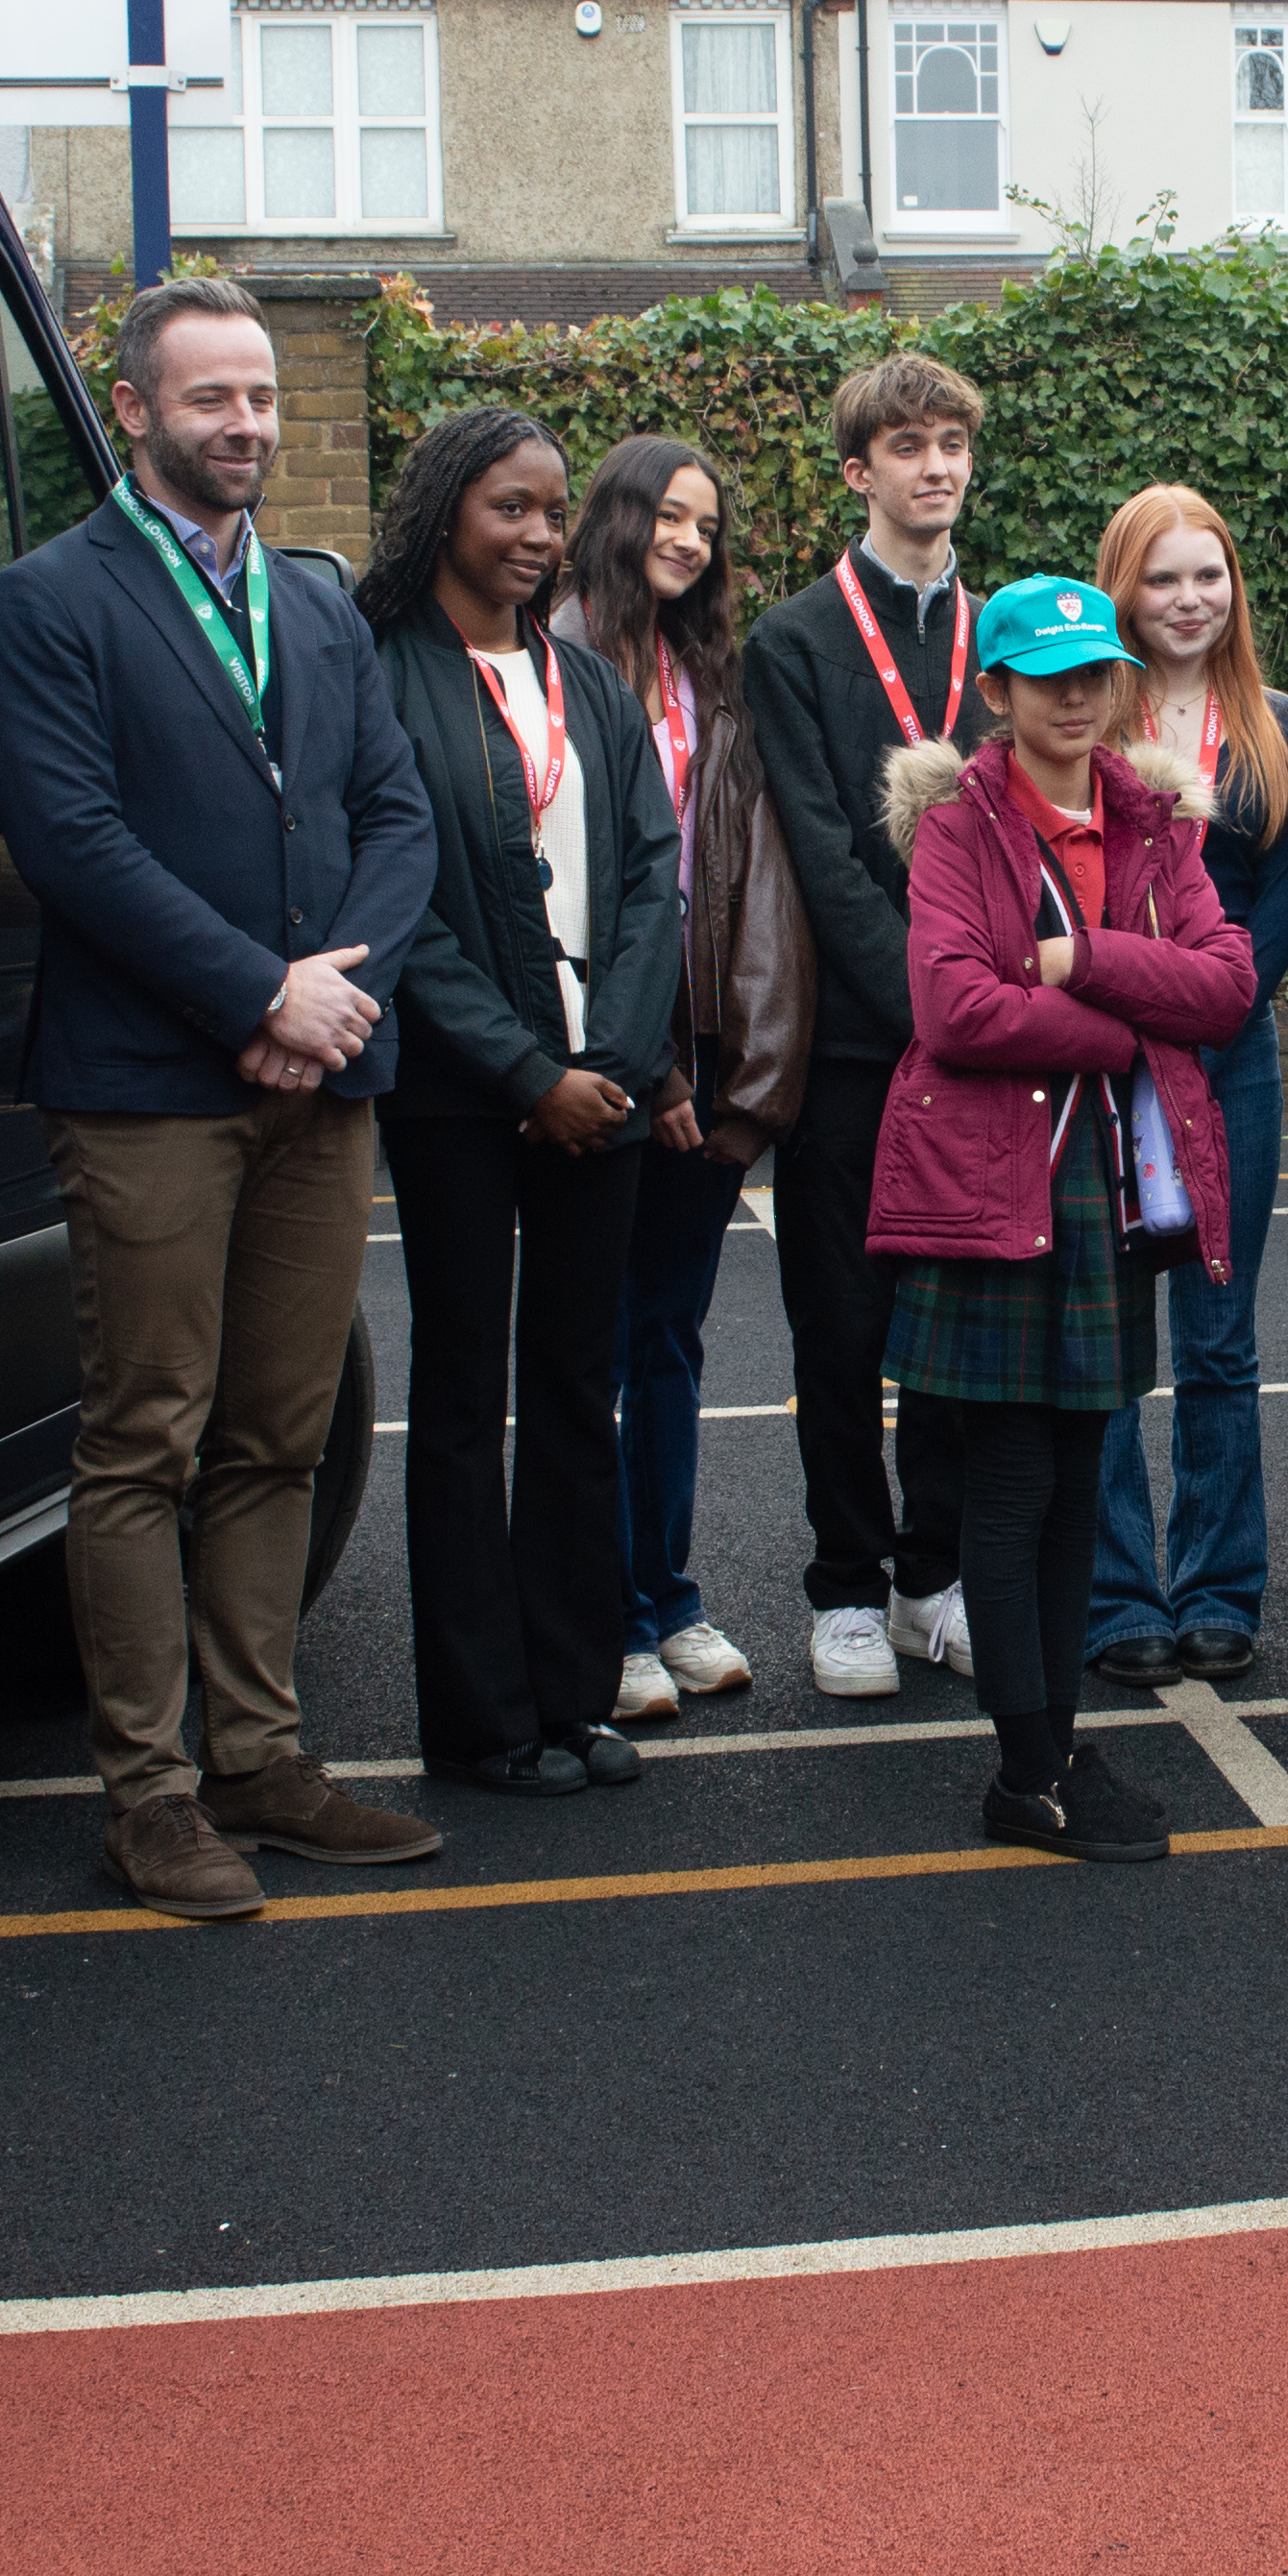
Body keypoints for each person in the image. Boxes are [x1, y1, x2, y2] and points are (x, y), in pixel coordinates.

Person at [0, 274, 446, 1921]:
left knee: (279, 1432)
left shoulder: (313, 603)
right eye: (209, 400)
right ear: (139, 409)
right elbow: (71, 842)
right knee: (144, 1440)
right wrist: (259, 991)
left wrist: (328, 999)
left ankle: (261, 1758)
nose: (242, 424)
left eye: (258, 398)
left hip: (316, 1076)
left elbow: (396, 814)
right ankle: (151, 1798)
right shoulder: (47, 603)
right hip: (150, 1087)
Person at [865, 575, 1253, 1865]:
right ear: (999, 694)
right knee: (1014, 1481)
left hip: (1104, 1188)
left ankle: (1053, 1747)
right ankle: (1024, 1772)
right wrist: (1134, 1025)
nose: (1079, 698)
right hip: (996, 1182)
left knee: (1083, 1474)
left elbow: (1230, 983)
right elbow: (956, 1010)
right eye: (1049, 679)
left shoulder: (1153, 818)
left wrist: (1086, 964)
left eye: (1095, 675)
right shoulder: (956, 826)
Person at [365, 404, 688, 1801]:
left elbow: (649, 872)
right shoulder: (378, 676)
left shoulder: (589, 685)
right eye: (510, 506)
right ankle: (481, 1721)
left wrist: (608, 1063)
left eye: (553, 510)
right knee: (460, 1398)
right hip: (458, 1095)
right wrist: (522, 1072)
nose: (539, 534)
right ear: (446, 509)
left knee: (575, 1390)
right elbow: (399, 906)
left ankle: (574, 1693)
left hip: (596, 1093)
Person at [736, 352, 985, 1699]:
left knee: (952, 1325)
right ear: (858, 469)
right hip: (854, 1043)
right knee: (839, 1326)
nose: (934, 466)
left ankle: (928, 1582)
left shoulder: (1002, 631)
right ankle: (843, 1584)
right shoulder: (792, 641)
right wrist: (927, 1001)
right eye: (906, 446)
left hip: (975, 1047)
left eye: (951, 443)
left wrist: (977, 1010)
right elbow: (822, 852)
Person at [552, 435, 808, 1725]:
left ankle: (669, 1598)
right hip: (594, 1050)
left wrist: (744, 1067)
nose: (691, 540)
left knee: (668, 1337)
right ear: (618, 512)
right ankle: (597, 1619)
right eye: (671, 513)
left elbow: (748, 882)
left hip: (699, 1055)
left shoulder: (715, 680)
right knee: (586, 1346)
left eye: (709, 525)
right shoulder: (556, 662)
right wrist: (633, 1055)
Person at [1081, 484, 1288, 1691]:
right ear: (1125, 589)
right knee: (1115, 1343)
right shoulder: (1084, 723)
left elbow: (1282, 896)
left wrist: (1214, 1006)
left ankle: (1220, 1586)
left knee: (1220, 1343)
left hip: (1234, 1059)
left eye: (1206, 575)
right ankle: (1117, 1594)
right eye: (1162, 579)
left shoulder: (1273, 722)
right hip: (1114, 1066)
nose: (1187, 599)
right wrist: (1142, 1019)